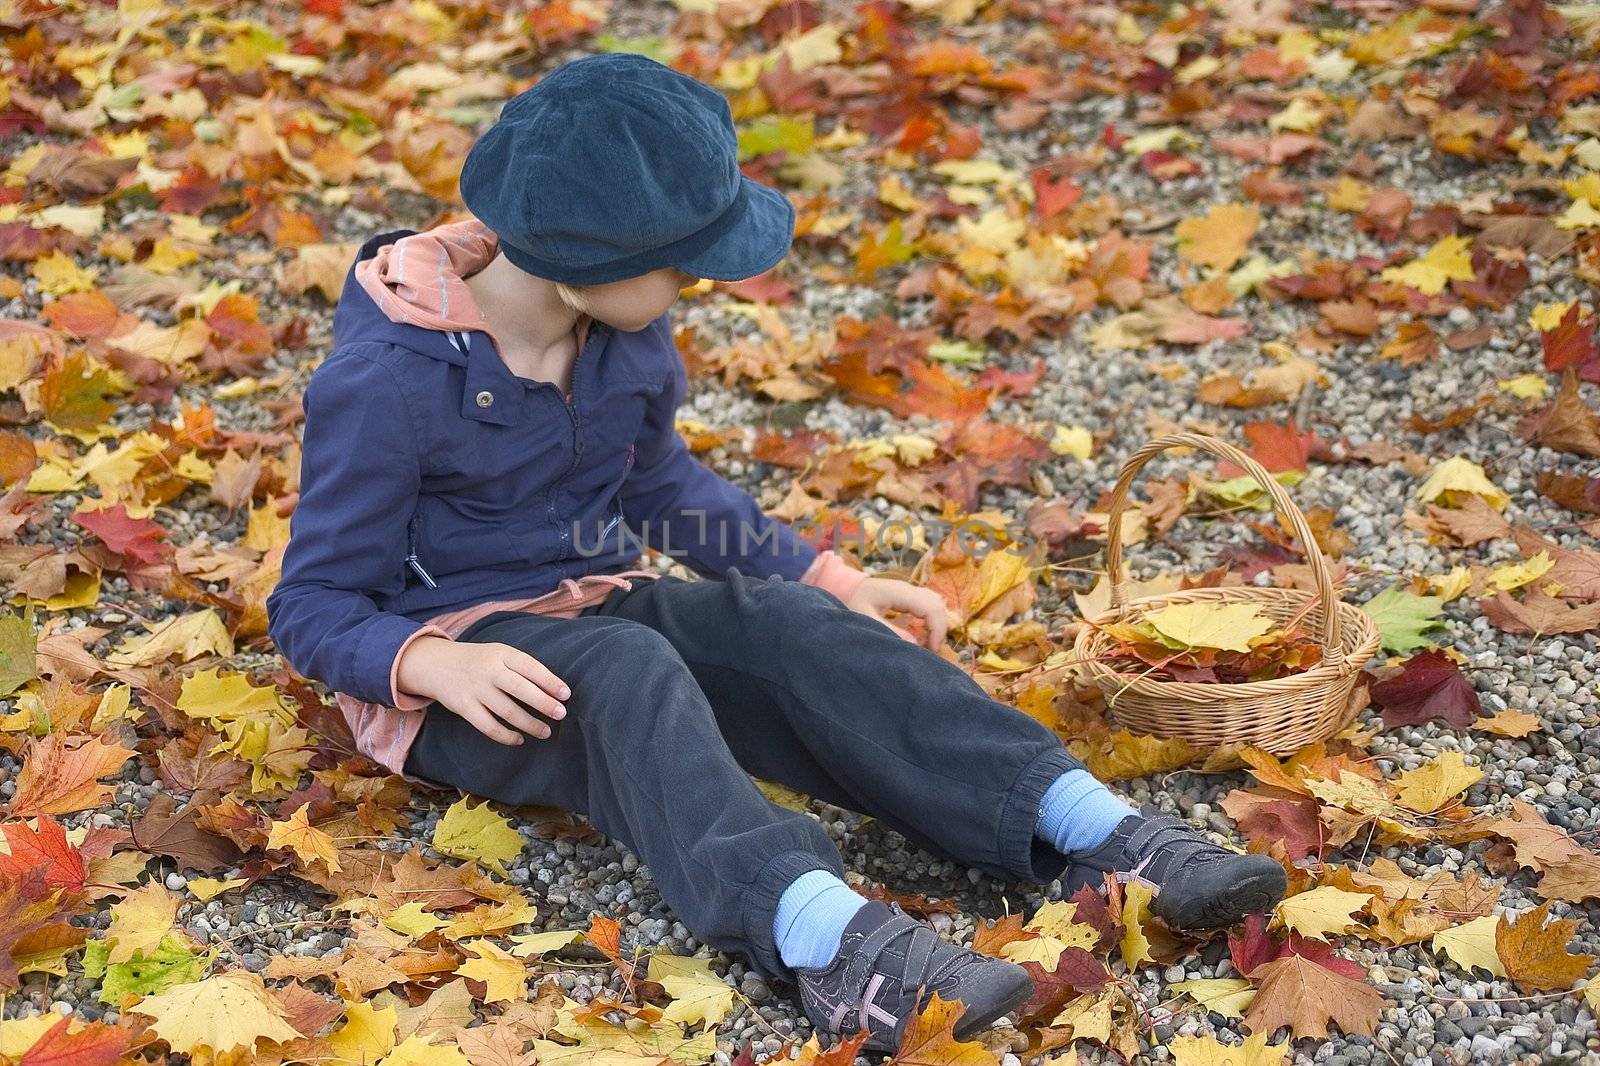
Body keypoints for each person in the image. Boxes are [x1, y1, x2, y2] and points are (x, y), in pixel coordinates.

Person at [265, 52, 1287, 1054]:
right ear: (592, 265)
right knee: (627, 672)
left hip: (592, 603)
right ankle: (824, 938)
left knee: (788, 629)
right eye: (683, 262)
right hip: (459, 672)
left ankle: (1086, 826)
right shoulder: (385, 381)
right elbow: (312, 603)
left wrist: (828, 579)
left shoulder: (622, 338)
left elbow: (662, 487)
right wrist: (431, 663)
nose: (699, 281)